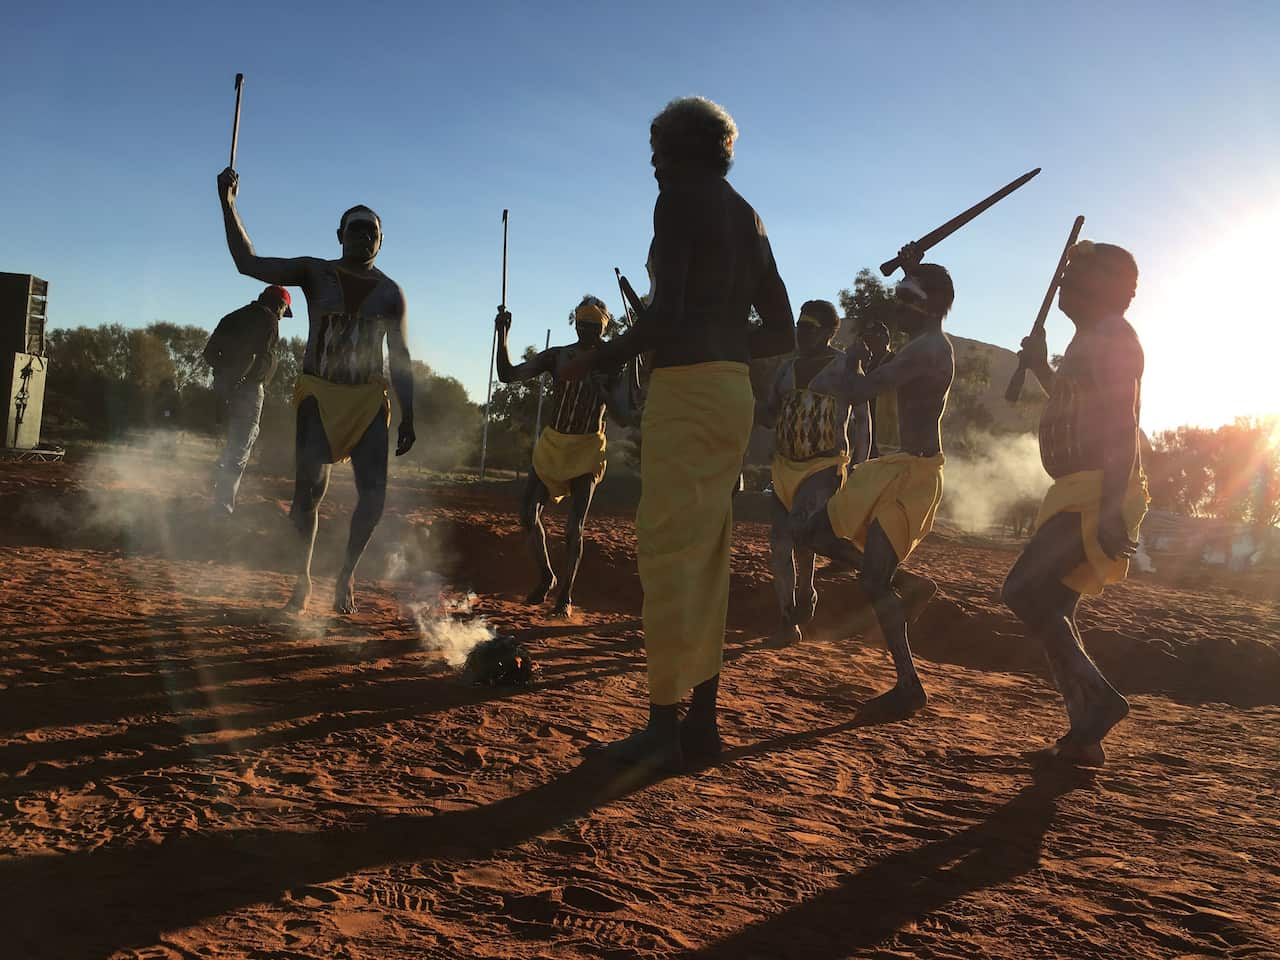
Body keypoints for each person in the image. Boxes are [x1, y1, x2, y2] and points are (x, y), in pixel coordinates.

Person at [562, 96, 795, 771]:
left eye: (658, 152)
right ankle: (701, 724)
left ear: (683, 152)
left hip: (688, 394)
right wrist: (723, 339)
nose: (653, 166)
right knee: (707, 554)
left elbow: (664, 319)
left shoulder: (678, 201)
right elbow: (779, 328)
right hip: (729, 393)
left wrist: (595, 358)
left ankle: (663, 729)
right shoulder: (749, 215)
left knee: (666, 557)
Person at [217, 166, 416, 615]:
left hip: (368, 401)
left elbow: (400, 357)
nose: (363, 237)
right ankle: (302, 579)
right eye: (356, 229)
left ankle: (345, 575)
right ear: (340, 235)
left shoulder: (390, 293)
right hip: (319, 395)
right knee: (307, 495)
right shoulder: (314, 272)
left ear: (382, 241)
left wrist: (410, 413)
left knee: (374, 498)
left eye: (371, 232)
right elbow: (248, 263)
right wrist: (228, 206)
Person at [1001, 241, 1148, 766]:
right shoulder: (1090, 337)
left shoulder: (1113, 338)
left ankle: (1102, 701)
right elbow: (1075, 403)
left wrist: (1108, 508)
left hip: (1097, 489)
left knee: (1022, 591)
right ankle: (1085, 739)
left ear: (1105, 287)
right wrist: (1043, 367)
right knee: (1054, 608)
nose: (1062, 281)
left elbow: (1123, 425)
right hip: (1080, 488)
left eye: (1075, 273)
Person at [795, 244, 953, 719]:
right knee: (817, 535)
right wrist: (912, 267)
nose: (897, 307)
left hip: (915, 476)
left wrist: (851, 360)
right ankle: (909, 586)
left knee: (870, 579)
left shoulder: (927, 350)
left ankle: (908, 686)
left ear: (927, 306)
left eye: (906, 300)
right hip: (900, 468)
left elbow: (859, 391)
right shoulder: (923, 344)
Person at [494, 294, 635, 617]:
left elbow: (624, 416)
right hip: (553, 445)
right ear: (575, 324)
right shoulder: (557, 357)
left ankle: (565, 597)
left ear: (603, 327)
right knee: (528, 515)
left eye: (594, 327)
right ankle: (547, 576)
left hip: (587, 449)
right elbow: (508, 375)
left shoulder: (611, 362)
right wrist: (502, 336)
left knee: (574, 527)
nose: (587, 332)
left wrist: (603, 390)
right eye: (583, 325)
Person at [756, 299, 870, 646]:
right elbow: (770, 414)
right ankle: (788, 620)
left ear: (828, 331)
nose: (801, 333)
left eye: (809, 327)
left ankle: (805, 594)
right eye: (800, 326)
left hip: (824, 466)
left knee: (799, 531)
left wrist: (860, 466)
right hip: (785, 466)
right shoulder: (786, 369)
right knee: (780, 544)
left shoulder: (845, 366)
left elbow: (863, 419)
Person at [202, 285, 292, 513]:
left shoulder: (232, 317)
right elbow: (256, 357)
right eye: (284, 311)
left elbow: (209, 354)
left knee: (238, 441)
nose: (282, 316)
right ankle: (222, 508)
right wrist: (239, 378)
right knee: (241, 447)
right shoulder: (269, 319)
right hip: (248, 389)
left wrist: (226, 376)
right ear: (279, 305)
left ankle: (218, 478)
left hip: (224, 386)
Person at [860, 321, 895, 458]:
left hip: (887, 429)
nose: (870, 343)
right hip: (868, 425)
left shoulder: (893, 361)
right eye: (867, 339)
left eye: (874, 338)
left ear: (886, 339)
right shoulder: (867, 362)